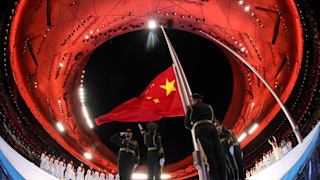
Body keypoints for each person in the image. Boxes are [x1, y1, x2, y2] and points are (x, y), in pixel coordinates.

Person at [184, 93, 226, 180]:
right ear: (201, 99)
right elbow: (213, 119)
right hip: (212, 129)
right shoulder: (209, 107)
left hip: (201, 130)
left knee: (209, 157)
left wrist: (193, 126)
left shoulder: (191, 108)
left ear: (194, 100)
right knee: (219, 155)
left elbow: (187, 124)